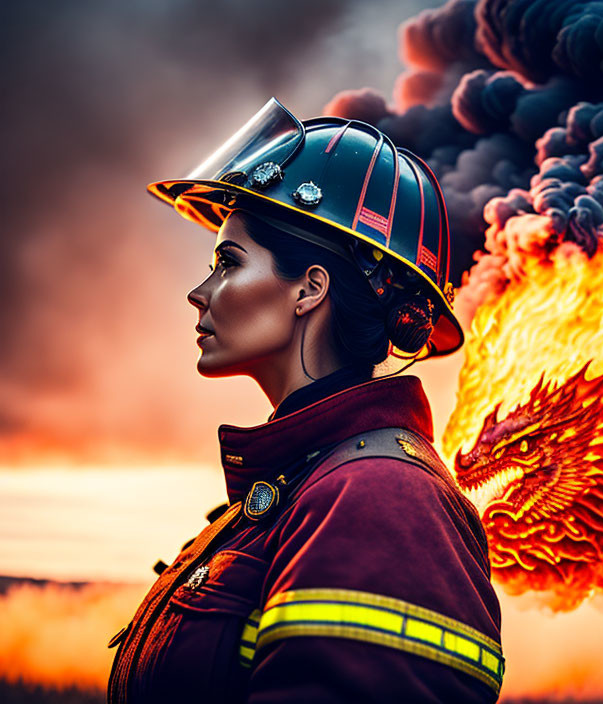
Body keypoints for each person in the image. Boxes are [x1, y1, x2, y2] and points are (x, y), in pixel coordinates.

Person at [106, 98, 504, 703]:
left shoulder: (380, 496)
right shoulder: (309, 483)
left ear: (310, 289)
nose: (199, 293)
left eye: (227, 263)